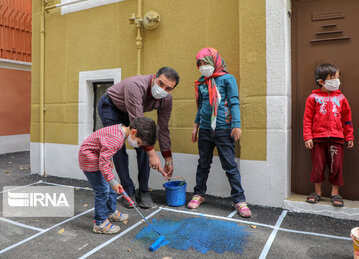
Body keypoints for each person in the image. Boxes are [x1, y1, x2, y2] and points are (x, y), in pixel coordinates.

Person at [97, 67, 180, 209]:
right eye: (160, 83)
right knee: (118, 146)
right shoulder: (135, 85)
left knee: (144, 143)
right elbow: (138, 123)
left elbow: (163, 128)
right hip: (111, 106)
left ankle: (144, 190)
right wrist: (153, 155)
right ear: (154, 77)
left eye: (168, 88)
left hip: (134, 112)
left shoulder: (166, 99)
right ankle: (127, 190)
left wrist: (168, 159)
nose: (163, 89)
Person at [187, 47, 252, 218]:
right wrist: (196, 126)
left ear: (214, 62)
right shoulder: (202, 82)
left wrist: (236, 125)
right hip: (206, 130)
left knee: (230, 166)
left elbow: (234, 102)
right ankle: (199, 194)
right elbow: (201, 107)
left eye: (205, 63)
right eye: (199, 64)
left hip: (224, 129)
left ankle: (239, 200)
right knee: (203, 164)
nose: (202, 67)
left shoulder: (227, 79)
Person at [78, 117, 157, 234]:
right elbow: (103, 162)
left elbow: (104, 145)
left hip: (96, 156)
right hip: (89, 158)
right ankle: (99, 223)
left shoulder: (120, 130)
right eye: (139, 142)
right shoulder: (117, 139)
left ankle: (110, 212)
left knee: (110, 185)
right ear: (134, 132)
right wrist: (113, 182)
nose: (138, 145)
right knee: (103, 190)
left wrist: (109, 160)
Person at [303, 63, 354, 207]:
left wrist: (349, 136)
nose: (337, 81)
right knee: (318, 165)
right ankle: (317, 192)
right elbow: (307, 119)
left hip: (337, 138)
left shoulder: (341, 98)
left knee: (336, 166)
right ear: (321, 81)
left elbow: (347, 119)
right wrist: (308, 136)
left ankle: (335, 193)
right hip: (318, 138)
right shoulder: (313, 98)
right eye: (333, 78)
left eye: (338, 78)